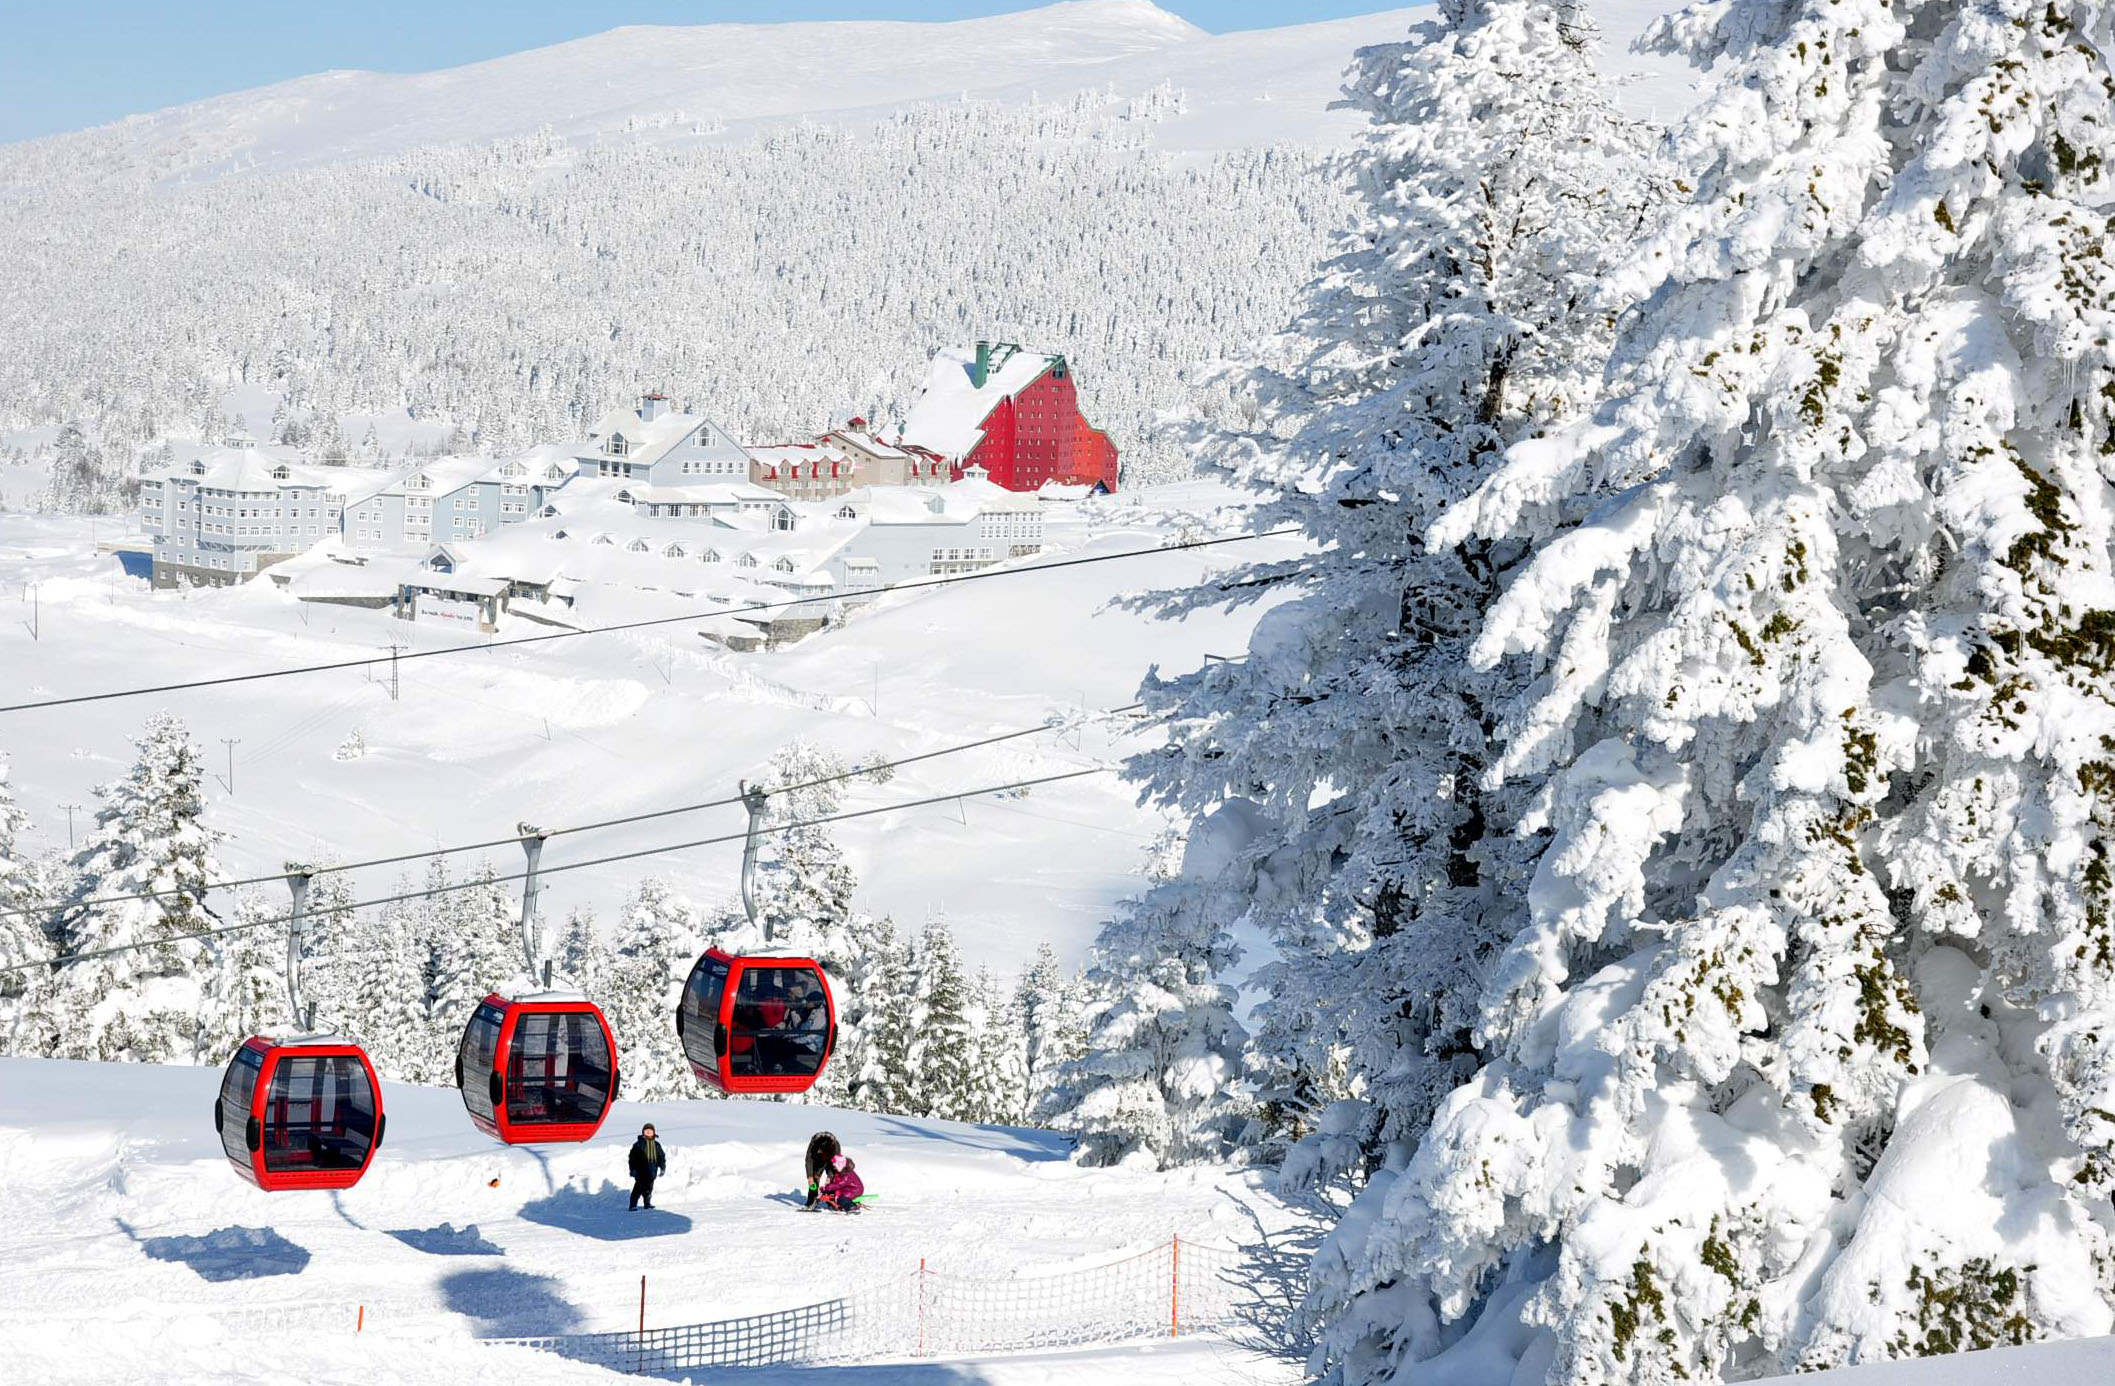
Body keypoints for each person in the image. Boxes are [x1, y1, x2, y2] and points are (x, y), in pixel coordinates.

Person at [628, 1123, 666, 1210]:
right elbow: (632, 1158)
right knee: (638, 1188)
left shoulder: (656, 1145)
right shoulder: (638, 1144)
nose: (648, 1132)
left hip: (652, 1171)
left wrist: (662, 1167)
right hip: (640, 1171)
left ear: (654, 1133)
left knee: (648, 1188)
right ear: (643, 1133)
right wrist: (632, 1169)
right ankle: (633, 1204)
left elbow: (661, 1156)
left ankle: (647, 1203)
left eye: (650, 1131)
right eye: (646, 1131)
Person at [803, 1130, 841, 1209]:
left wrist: (830, 1176)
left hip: (831, 1160)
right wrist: (810, 1177)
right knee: (814, 1178)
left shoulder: (835, 1147)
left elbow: (835, 1164)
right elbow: (809, 1160)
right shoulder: (814, 1144)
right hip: (818, 1160)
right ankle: (811, 1200)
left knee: (832, 1179)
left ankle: (831, 1201)